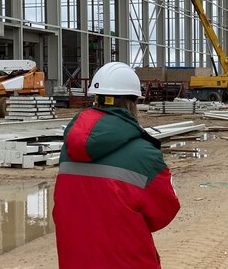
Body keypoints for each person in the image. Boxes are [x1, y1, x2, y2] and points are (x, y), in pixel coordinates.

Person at [53, 62, 180, 268]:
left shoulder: (69, 150)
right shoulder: (144, 153)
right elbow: (163, 213)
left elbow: (66, 206)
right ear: (133, 102)